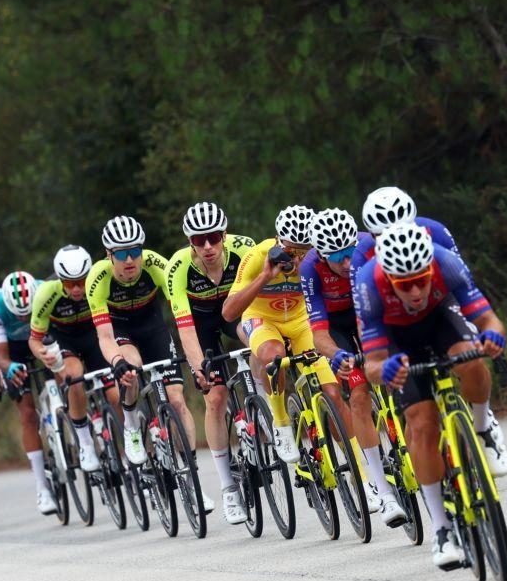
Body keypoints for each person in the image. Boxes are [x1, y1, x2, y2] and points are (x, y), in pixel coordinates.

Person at [355, 223, 507, 569]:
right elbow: (373, 365)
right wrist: (387, 368)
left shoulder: (445, 263)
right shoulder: (368, 284)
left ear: (430, 269)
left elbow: (489, 320)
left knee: (471, 360)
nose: (414, 291)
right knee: (423, 423)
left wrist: (494, 338)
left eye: (421, 280)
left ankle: (483, 428)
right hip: (397, 341)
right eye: (404, 284)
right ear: (390, 279)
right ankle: (441, 529)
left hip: (440, 320)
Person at [87, 216, 215, 512]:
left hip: (153, 328)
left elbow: (183, 317)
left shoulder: (158, 265)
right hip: (121, 333)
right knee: (130, 369)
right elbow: (104, 337)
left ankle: (192, 479)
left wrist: (196, 357)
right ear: (109, 256)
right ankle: (132, 425)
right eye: (121, 253)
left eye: (135, 251)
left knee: (177, 400)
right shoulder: (98, 278)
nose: (130, 259)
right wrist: (117, 361)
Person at [302, 208, 406, 526]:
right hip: (335, 326)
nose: (348, 263)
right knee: (358, 394)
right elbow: (318, 334)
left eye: (351, 253)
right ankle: (380, 487)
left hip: (367, 313)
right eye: (339, 258)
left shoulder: (367, 246)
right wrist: (335, 356)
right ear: (322, 255)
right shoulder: (310, 269)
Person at [221, 205, 343, 464]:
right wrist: (265, 276)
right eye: (290, 252)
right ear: (278, 244)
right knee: (273, 356)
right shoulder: (258, 255)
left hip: (300, 321)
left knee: (332, 393)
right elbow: (229, 313)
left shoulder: (318, 262)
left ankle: (361, 476)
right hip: (263, 318)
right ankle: (280, 422)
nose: (298, 261)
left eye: (305, 252)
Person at [166, 202, 256, 524]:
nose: (207, 246)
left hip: (236, 314)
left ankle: (266, 409)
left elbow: (262, 304)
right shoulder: (177, 268)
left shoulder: (245, 249)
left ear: (224, 235)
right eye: (199, 239)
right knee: (215, 398)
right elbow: (185, 328)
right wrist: (199, 367)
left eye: (214, 237)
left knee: (258, 343)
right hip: (200, 326)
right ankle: (229, 486)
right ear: (190, 241)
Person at [29, 245, 118, 515]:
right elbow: (34, 338)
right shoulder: (47, 292)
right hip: (63, 340)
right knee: (75, 377)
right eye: (70, 283)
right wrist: (42, 354)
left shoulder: (100, 282)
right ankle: (86, 445)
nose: (78, 289)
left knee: (116, 393)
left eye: (81, 281)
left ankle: (138, 451)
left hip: (93, 337)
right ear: (59, 279)